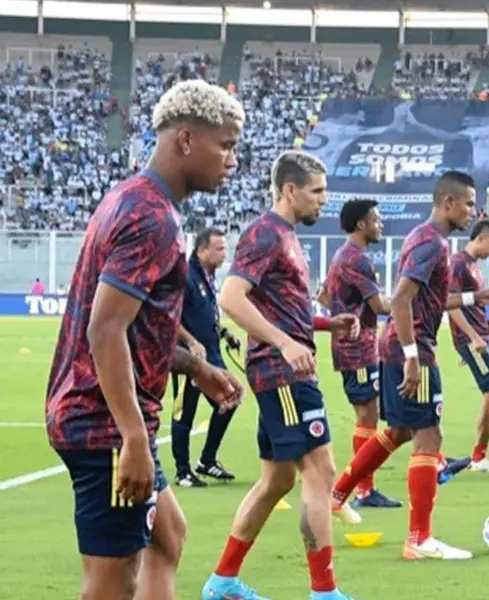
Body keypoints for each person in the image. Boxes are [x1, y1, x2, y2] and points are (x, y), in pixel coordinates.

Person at [46, 79, 245, 600]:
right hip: (105, 426)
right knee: (111, 586)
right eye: (224, 145)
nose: (231, 160)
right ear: (185, 140)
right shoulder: (150, 217)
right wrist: (134, 438)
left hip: (106, 419)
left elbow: (133, 329)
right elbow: (105, 328)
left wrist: (196, 367)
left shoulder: (133, 198)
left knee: (168, 536)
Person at [202, 151, 362, 600]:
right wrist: (286, 344)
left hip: (282, 368)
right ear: (289, 190)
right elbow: (231, 299)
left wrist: (326, 325)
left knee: (278, 480)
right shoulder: (265, 234)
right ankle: (324, 592)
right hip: (282, 372)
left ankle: (223, 581)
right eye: (317, 192)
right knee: (320, 469)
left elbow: (280, 310)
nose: (323, 202)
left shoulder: (286, 237)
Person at [327, 171, 489, 560]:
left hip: (400, 347)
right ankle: (419, 539)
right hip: (413, 351)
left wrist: (477, 297)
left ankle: (338, 494)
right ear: (448, 203)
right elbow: (402, 301)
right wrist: (412, 358)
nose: (472, 211)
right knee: (430, 437)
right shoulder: (431, 243)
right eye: (469, 203)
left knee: (401, 431)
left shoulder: (428, 240)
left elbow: (427, 301)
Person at [316, 199, 402, 509]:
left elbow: (324, 296)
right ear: (361, 224)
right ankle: (364, 489)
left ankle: (364, 487)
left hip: (350, 343)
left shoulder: (343, 254)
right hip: (359, 347)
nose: (380, 225)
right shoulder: (357, 258)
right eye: (376, 220)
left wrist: (343, 314)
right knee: (368, 414)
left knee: (367, 413)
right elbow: (379, 307)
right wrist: (409, 302)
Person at [172, 227, 243, 488]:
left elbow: (205, 315)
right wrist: (190, 342)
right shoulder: (186, 277)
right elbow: (171, 317)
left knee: (230, 399)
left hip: (211, 352)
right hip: (185, 357)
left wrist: (224, 332)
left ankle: (207, 460)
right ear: (202, 250)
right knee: (184, 413)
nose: (225, 254)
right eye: (219, 249)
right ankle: (182, 471)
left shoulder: (207, 276)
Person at [447, 219, 489, 472]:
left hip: (486, 334)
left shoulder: (472, 267)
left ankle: (479, 455)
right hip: (474, 338)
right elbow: (450, 304)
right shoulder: (457, 264)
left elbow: (471, 303)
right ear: (479, 239)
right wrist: (472, 338)